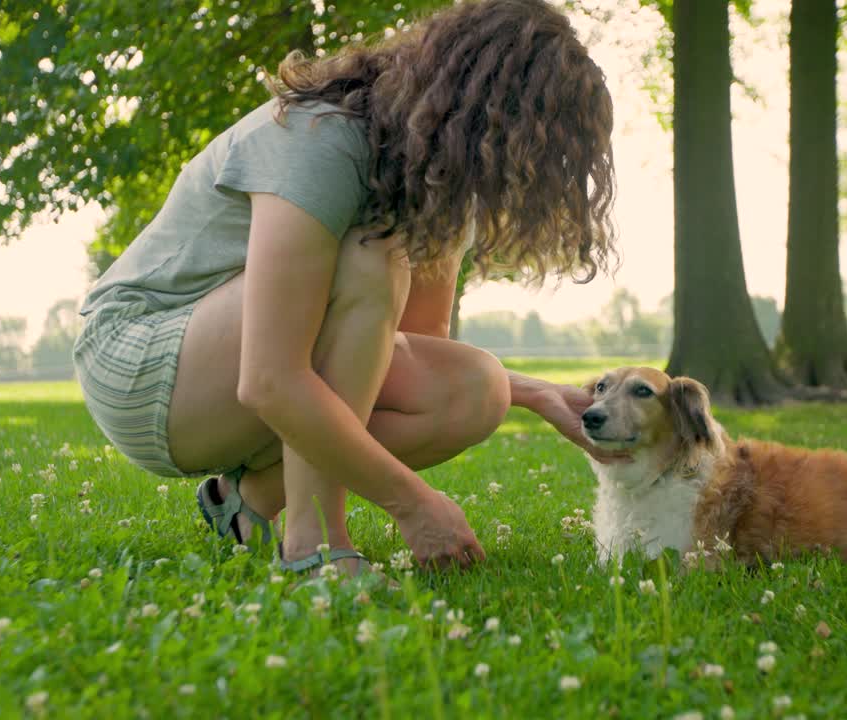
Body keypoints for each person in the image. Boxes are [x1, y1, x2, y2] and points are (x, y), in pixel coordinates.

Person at [73, 0, 622, 577]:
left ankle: (245, 506)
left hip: (237, 370)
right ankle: (315, 549)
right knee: (368, 255)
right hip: (140, 361)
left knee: (474, 387)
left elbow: (397, 353)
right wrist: (414, 504)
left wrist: (534, 393)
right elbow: (270, 378)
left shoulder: (437, 185)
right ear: (481, 111)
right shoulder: (321, 137)